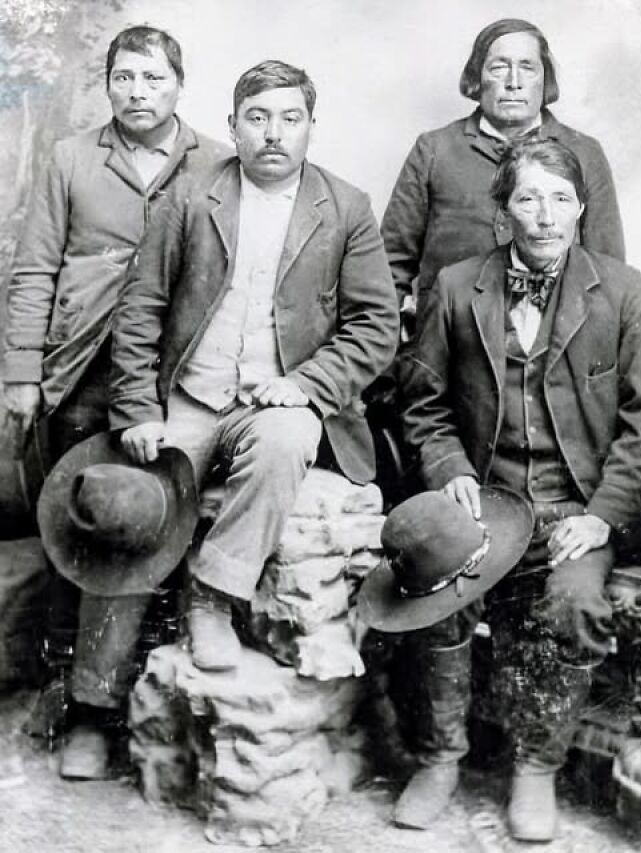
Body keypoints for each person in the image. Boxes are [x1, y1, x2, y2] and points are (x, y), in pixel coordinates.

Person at [388, 139, 641, 841]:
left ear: (581, 208)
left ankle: (537, 766)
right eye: (527, 198)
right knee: (431, 586)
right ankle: (439, 756)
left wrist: (606, 516)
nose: (544, 216)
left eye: (560, 199)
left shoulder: (623, 287)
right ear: (502, 210)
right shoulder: (457, 286)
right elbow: (422, 405)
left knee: (576, 602)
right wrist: (449, 468)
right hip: (484, 496)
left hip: (576, 506)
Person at [109, 61, 398, 673]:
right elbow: (140, 310)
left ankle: (212, 601)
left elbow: (377, 326)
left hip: (275, 403)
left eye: (290, 119)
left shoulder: (345, 208)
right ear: (232, 126)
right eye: (257, 118)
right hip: (189, 397)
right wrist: (137, 407)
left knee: (288, 438)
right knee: (131, 504)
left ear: (311, 127)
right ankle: (92, 701)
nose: (273, 133)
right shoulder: (189, 196)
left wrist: (306, 384)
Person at [1, 24, 229, 758]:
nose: (138, 92)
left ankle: (110, 704)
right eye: (124, 77)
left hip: (172, 376)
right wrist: (23, 373)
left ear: (179, 85)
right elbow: (35, 268)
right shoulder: (72, 158)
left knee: (149, 527)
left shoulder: (216, 165)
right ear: (108, 84)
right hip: (80, 367)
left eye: (153, 78)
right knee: (82, 526)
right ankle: (78, 704)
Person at [381, 18, 625, 338]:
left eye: (527, 67)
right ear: (477, 78)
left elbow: (607, 270)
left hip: (553, 348)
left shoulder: (584, 152)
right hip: (447, 348)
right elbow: (389, 264)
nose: (513, 82)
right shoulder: (434, 149)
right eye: (499, 67)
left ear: (545, 79)